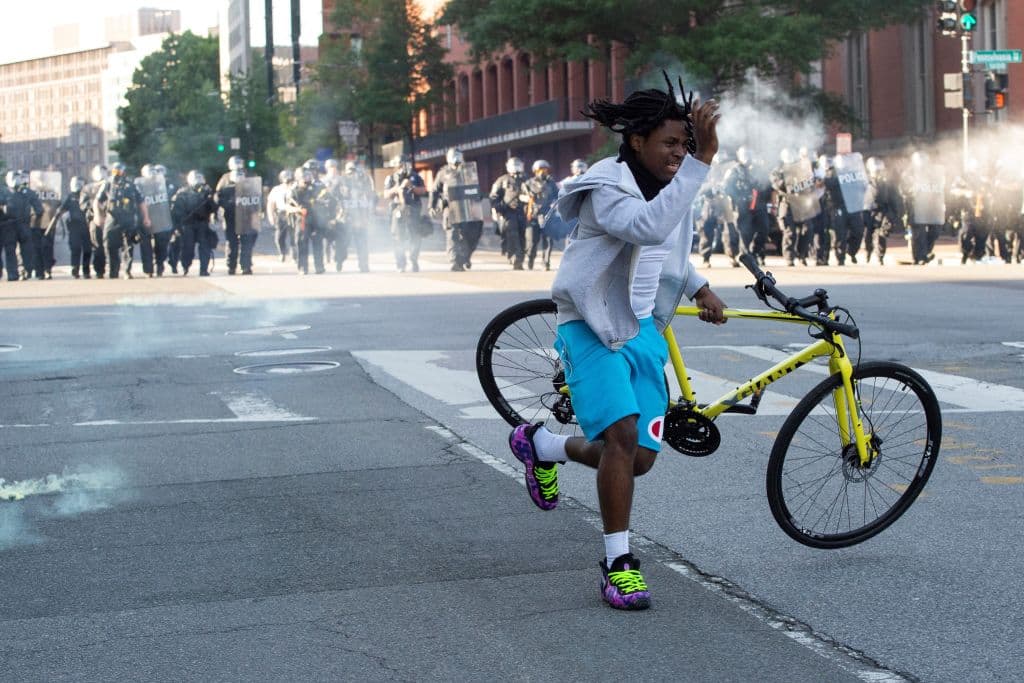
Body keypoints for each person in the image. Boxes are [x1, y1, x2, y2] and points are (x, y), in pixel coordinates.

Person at [506, 76, 726, 611]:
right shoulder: (606, 187)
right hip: (591, 325)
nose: (679, 153)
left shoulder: (670, 187)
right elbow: (648, 227)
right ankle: (618, 564)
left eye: (685, 144)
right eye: (670, 143)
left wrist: (698, 286)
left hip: (644, 329)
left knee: (637, 458)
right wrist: (701, 162)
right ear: (636, 140)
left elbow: (667, 248)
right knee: (622, 437)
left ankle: (542, 446)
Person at [430, 147, 484, 271]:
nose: (457, 159)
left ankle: (465, 257)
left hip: (468, 208)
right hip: (450, 208)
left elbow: (475, 187)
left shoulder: (468, 171)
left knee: (472, 234)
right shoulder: (443, 173)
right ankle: (454, 261)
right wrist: (431, 206)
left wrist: (478, 195)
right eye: (455, 156)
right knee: (452, 234)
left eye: (459, 156)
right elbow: (434, 190)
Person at [95, 162, 150, 279]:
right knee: (109, 244)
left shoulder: (131, 185)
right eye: (115, 170)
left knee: (128, 245)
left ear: (124, 172)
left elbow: (141, 202)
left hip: (128, 218)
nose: (117, 173)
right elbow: (97, 201)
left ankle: (127, 271)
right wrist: (98, 216)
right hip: (112, 218)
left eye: (119, 171)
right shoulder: (107, 184)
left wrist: (146, 217)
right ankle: (113, 271)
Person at [215, 155, 258, 275]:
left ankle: (246, 266)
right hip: (230, 215)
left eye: (239, 162)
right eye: (235, 162)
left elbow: (256, 196)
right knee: (232, 242)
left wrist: (257, 211)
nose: (237, 165)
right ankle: (231, 266)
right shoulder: (225, 178)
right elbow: (218, 196)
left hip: (246, 215)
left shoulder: (250, 176)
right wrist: (222, 206)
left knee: (247, 242)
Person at [170, 170, 217, 276]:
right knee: (188, 247)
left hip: (203, 223)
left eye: (200, 178)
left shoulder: (207, 192)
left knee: (205, 247)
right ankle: (185, 266)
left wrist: (210, 197)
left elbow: (214, 208)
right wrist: (178, 226)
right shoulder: (182, 193)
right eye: (196, 178)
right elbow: (176, 211)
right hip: (187, 225)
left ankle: (204, 269)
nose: (198, 182)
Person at [383, 157, 427, 272]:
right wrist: (397, 188)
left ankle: (413, 260)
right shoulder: (391, 178)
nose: (402, 167)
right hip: (398, 210)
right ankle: (401, 263)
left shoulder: (416, 177)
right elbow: (386, 194)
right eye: (400, 164)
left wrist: (411, 186)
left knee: (415, 236)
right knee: (397, 237)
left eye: (404, 164)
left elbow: (423, 190)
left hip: (413, 209)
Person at [489, 157, 529, 269]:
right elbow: (493, 196)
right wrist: (497, 209)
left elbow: (534, 193)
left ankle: (520, 258)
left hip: (524, 212)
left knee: (523, 236)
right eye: (513, 165)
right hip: (508, 213)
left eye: (517, 165)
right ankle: (515, 258)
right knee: (512, 235)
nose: (516, 167)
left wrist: (528, 199)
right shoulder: (502, 180)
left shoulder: (526, 179)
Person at [3, 170, 43, 280]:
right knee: (11, 250)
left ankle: (23, 271)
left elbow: (39, 210)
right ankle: (16, 273)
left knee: (24, 250)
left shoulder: (28, 192)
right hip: (9, 225)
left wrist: (33, 221)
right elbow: (39, 210)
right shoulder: (3, 192)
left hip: (22, 224)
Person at [523, 159, 560, 270]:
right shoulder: (528, 183)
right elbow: (522, 196)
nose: (543, 172)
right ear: (535, 171)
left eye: (545, 170)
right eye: (540, 170)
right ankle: (530, 260)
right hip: (533, 215)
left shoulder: (551, 183)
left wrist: (555, 204)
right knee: (531, 241)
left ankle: (546, 262)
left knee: (548, 240)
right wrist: (526, 198)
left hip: (547, 215)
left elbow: (557, 196)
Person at [338, 160, 374, 272]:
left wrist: (369, 210)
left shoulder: (365, 180)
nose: (352, 174)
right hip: (347, 216)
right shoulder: (342, 180)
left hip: (361, 216)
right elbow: (335, 195)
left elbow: (372, 195)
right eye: (350, 171)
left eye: (354, 171)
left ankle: (364, 265)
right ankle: (339, 260)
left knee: (362, 242)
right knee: (344, 242)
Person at [53, 176, 91, 278]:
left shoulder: (88, 196)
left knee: (87, 249)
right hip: (74, 226)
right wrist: (58, 213)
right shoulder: (70, 197)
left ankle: (86, 271)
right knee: (75, 248)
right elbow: (62, 208)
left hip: (87, 226)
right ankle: (75, 269)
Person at [81, 165, 109, 278]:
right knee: (97, 246)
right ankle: (99, 271)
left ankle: (114, 270)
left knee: (112, 245)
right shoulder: (87, 188)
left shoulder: (110, 185)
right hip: (95, 220)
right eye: (97, 172)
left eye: (102, 171)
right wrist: (95, 212)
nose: (100, 174)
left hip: (110, 218)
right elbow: (83, 205)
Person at [266, 169, 294, 262]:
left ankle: (294, 254)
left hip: (293, 213)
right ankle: (282, 253)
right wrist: (271, 216)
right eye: (285, 177)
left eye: (288, 176)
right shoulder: (276, 189)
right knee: (279, 236)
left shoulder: (294, 188)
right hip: (281, 214)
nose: (287, 178)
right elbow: (271, 203)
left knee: (294, 235)